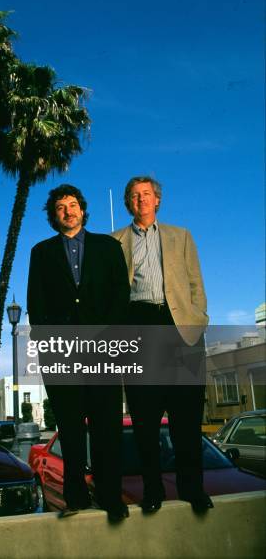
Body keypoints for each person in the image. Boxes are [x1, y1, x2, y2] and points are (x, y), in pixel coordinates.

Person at [27, 184, 130, 522]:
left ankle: (111, 497)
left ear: (83, 210)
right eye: (60, 206)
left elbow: (120, 296)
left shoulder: (108, 247)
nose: (68, 211)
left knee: (106, 428)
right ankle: (74, 498)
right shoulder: (41, 252)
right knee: (70, 429)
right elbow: (36, 305)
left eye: (73, 205)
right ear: (53, 215)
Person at [112, 176, 212, 514]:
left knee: (186, 416)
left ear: (157, 200)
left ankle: (192, 490)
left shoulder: (180, 236)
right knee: (145, 417)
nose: (141, 200)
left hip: (180, 328)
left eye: (147, 194)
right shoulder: (115, 241)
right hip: (138, 326)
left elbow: (196, 283)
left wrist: (197, 321)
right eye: (135, 196)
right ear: (129, 203)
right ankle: (152, 491)